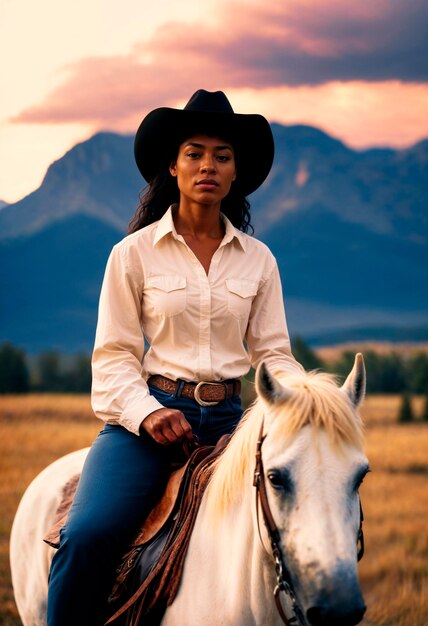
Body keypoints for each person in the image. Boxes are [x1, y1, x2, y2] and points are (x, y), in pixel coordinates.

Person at [46, 89, 304, 626]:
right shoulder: (132, 253)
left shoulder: (259, 261)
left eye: (222, 155)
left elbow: (274, 354)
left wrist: (305, 404)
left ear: (237, 173)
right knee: (89, 535)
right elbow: (114, 355)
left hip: (235, 421)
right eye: (195, 152)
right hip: (150, 418)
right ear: (173, 164)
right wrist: (148, 413)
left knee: (302, 528)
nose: (208, 164)